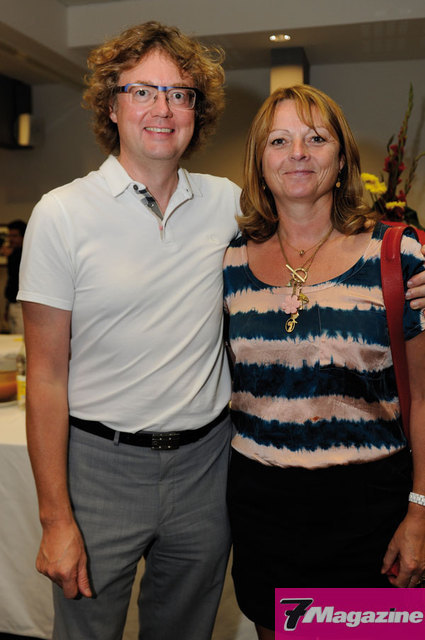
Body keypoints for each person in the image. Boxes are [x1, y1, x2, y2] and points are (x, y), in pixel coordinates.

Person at [17, 22, 241, 640]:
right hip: (98, 469)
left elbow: (310, 246)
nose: (162, 109)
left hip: (206, 467)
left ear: (197, 110)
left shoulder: (229, 205)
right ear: (111, 106)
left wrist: (399, 267)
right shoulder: (62, 214)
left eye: (180, 93)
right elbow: (46, 377)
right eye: (142, 91)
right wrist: (56, 519)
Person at [223, 84, 425, 640]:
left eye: (316, 138)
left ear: (342, 159)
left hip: (373, 510)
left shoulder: (397, 255)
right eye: (279, 141)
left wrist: (420, 510)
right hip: (263, 508)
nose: (298, 153)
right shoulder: (230, 260)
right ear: (260, 163)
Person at [1, 219, 26, 334]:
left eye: (15, 236)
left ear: (23, 237)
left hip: (22, 305)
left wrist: (12, 255)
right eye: (9, 236)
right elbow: (12, 281)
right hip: (12, 303)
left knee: (21, 338)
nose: (11, 239)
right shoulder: (13, 254)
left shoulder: (25, 253)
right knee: (13, 338)